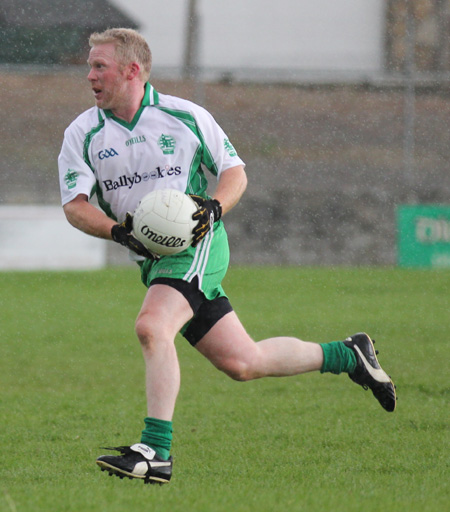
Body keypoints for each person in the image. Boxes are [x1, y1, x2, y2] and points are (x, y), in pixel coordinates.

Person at [58, 28, 396, 485]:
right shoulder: (83, 133)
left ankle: (156, 452)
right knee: (243, 362)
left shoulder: (184, 115)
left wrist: (213, 208)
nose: (90, 76)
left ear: (132, 70)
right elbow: (76, 207)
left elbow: (234, 172)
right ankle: (350, 355)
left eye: (99, 66)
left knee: (151, 327)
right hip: (153, 260)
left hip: (198, 244)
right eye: (90, 67)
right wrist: (119, 232)